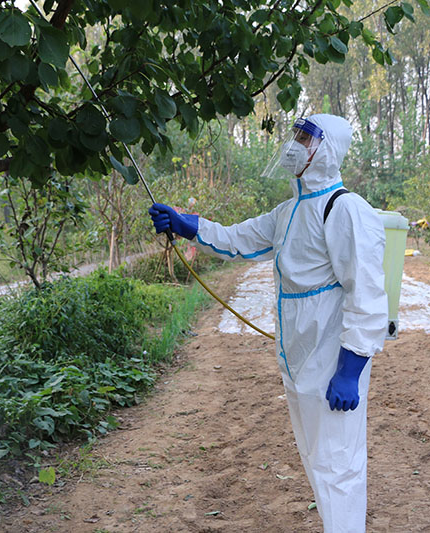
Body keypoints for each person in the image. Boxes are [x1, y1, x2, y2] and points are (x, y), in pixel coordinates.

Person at [148, 114, 388, 533]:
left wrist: (350, 372)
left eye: (304, 137)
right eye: (294, 135)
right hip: (298, 362)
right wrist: (188, 225)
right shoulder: (289, 211)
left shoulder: (345, 209)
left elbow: (367, 296)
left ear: (326, 150)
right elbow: (238, 239)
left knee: (340, 466)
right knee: (318, 460)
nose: (293, 144)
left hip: (332, 364)